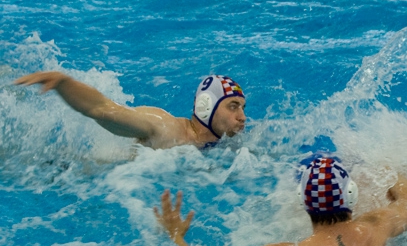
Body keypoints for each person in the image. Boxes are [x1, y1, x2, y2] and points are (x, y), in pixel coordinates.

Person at [155, 156, 407, 246]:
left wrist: (177, 238)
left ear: (303, 201)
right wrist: (389, 172)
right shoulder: (378, 224)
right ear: (351, 194)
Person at [14, 72, 246, 149]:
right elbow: (102, 109)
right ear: (206, 107)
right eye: (233, 106)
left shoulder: (228, 148)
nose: (242, 117)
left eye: (243, 108)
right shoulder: (165, 128)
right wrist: (63, 83)